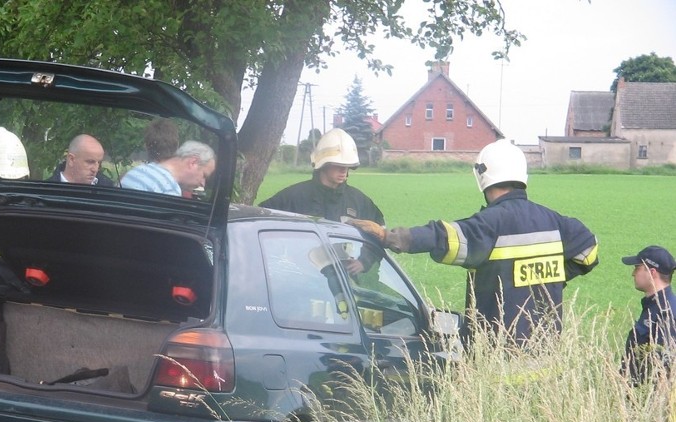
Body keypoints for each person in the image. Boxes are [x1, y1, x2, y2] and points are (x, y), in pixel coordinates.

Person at [350, 138, 600, 343]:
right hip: (547, 351)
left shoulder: (491, 223)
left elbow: (443, 237)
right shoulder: (555, 221)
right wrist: (553, 277)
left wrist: (390, 237)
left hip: (500, 356)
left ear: (483, 175)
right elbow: (588, 252)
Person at [258, 128, 386, 275]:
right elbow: (259, 223)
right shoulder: (294, 196)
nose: (344, 171)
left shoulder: (358, 200)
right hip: (300, 275)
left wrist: (365, 261)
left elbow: (380, 232)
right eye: (338, 165)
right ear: (323, 164)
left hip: (342, 279)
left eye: (347, 166)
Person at [620, 246, 676, 384]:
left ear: (652, 272)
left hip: (647, 400)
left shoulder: (665, 313)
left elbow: (664, 368)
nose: (633, 273)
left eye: (637, 268)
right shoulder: (655, 306)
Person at [120, 140, 216, 196]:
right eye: (204, 175)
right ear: (193, 162)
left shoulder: (138, 170)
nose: (203, 184)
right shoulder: (169, 190)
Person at [48, 134, 113, 186]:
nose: (95, 169)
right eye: (90, 162)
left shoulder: (108, 190)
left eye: (99, 163)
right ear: (71, 159)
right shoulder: (46, 190)